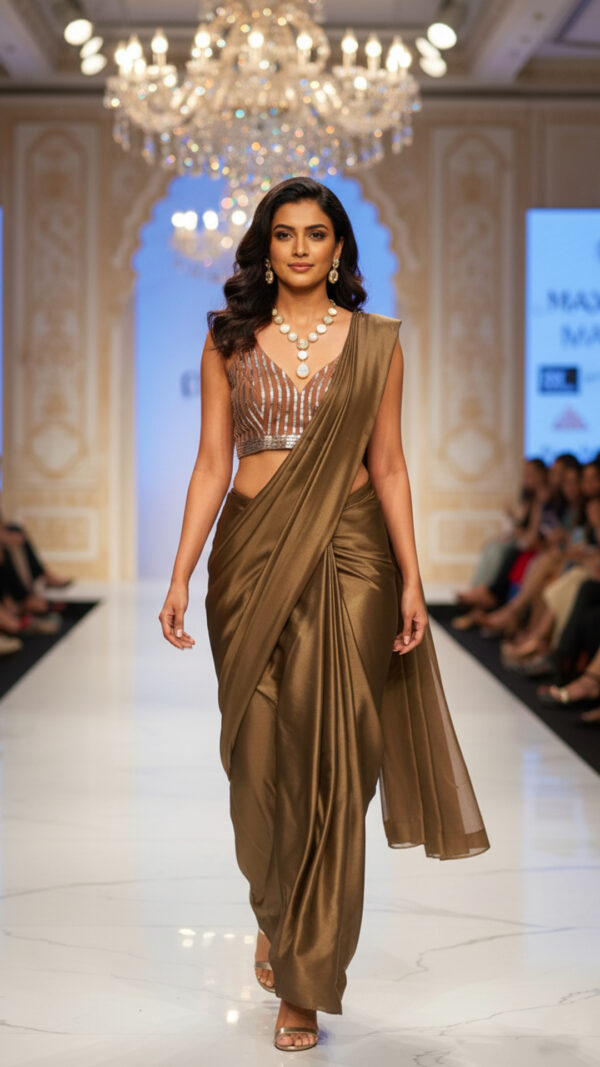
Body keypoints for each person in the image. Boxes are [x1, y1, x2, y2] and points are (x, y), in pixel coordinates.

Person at [159, 177, 490, 1053]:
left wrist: (412, 578)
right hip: (249, 559)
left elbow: (390, 465)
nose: (301, 248)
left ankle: (305, 980)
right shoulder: (227, 339)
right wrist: (180, 572)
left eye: (316, 233)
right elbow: (211, 463)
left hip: (352, 558)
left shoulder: (378, 343)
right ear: (265, 250)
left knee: (336, 764)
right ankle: (274, 907)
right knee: (255, 761)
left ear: (339, 246)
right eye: (284, 234)